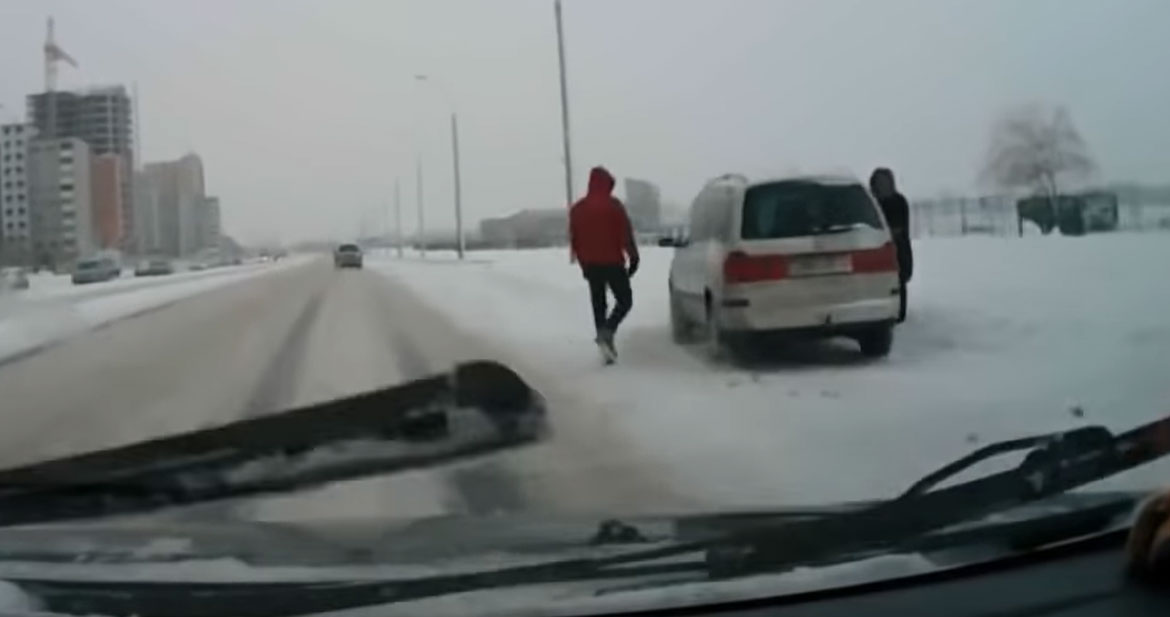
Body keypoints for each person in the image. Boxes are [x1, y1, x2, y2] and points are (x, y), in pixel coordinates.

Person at [569, 166, 640, 363]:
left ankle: (604, 341)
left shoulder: (578, 209)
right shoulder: (614, 206)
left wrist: (583, 264)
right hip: (613, 262)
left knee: (598, 303)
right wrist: (633, 257)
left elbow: (576, 240)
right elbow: (625, 233)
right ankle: (608, 331)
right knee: (625, 300)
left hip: (591, 264)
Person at [870, 167, 913, 323]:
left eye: (885, 182)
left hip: (898, 248)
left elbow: (901, 228)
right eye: (880, 183)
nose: (883, 186)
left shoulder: (899, 201)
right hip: (877, 247)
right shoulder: (872, 202)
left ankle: (899, 312)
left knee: (899, 279)